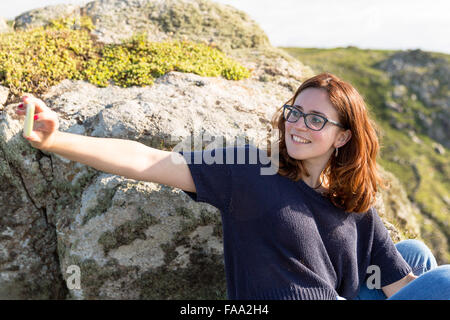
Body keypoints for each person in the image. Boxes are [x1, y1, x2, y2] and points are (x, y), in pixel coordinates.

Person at [16, 72, 450, 300]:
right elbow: (148, 161)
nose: (298, 126)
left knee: (414, 254)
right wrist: (55, 139)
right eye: (294, 112)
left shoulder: (353, 204)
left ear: (342, 137)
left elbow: (398, 284)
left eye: (316, 120)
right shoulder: (247, 173)